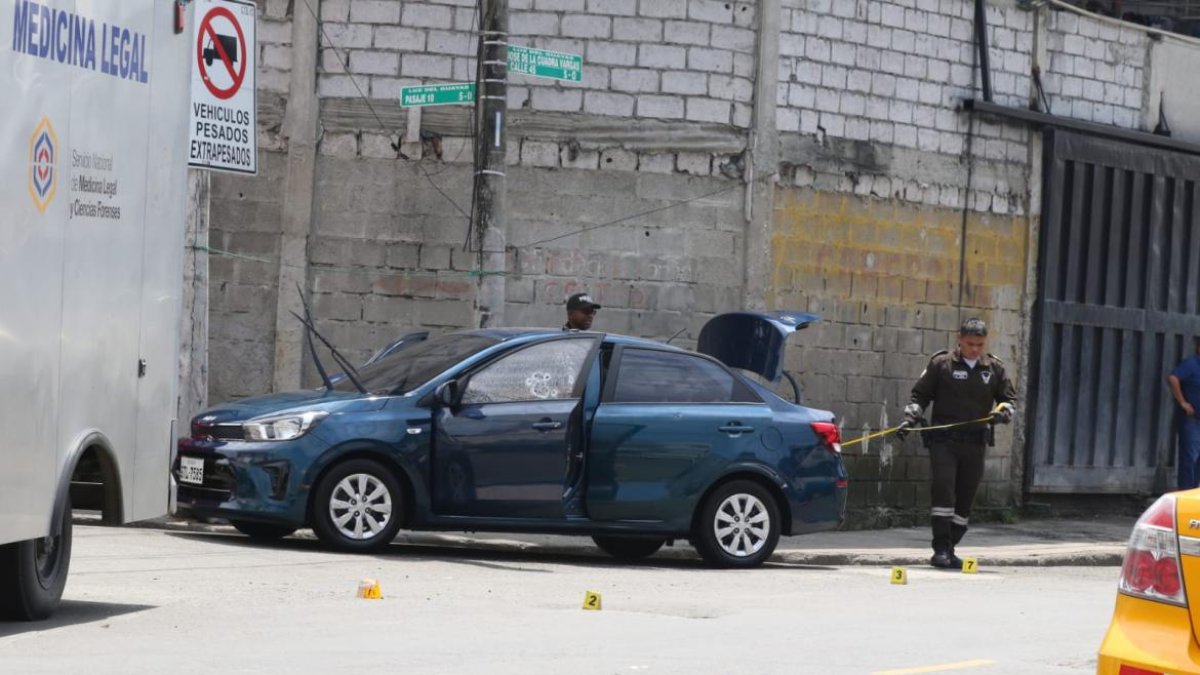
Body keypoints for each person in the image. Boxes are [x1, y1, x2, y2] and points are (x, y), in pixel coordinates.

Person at [901, 317, 1017, 569]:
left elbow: (1009, 400)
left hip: (975, 443)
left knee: (965, 498)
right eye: (970, 344)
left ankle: (951, 546)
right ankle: (940, 548)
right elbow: (920, 396)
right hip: (944, 442)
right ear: (959, 339)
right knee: (944, 489)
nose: (975, 349)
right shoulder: (941, 364)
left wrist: (1003, 412)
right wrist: (910, 418)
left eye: (979, 344)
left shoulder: (993, 368)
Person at [1168, 337, 1200, 490]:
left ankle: (1193, 493)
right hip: (1191, 420)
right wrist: (1182, 402)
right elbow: (1173, 378)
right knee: (1189, 458)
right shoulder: (1191, 364)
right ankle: (1185, 492)